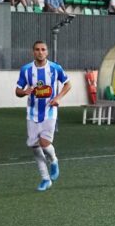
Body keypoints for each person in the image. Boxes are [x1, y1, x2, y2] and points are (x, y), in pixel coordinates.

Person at [15, 41, 72, 191]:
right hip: (32, 113)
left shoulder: (55, 68)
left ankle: (53, 160)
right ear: (33, 52)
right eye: (37, 49)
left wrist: (58, 98)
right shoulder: (26, 70)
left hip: (49, 112)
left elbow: (68, 84)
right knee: (34, 146)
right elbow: (17, 90)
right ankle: (45, 179)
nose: (40, 52)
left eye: (43, 49)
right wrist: (25, 92)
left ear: (47, 52)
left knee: (44, 143)